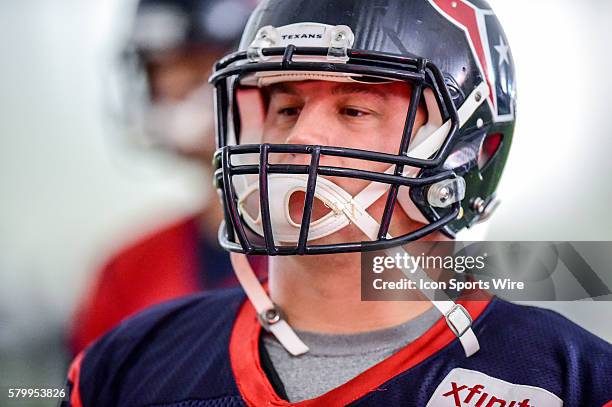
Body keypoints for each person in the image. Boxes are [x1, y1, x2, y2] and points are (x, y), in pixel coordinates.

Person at [66, 0, 612, 406]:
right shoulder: (125, 362)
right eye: (284, 107)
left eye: (354, 109)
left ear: (470, 149)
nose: (299, 138)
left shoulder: (574, 380)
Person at [68, 0, 261, 355]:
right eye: (156, 67)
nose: (168, 85)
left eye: (195, 60)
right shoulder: (127, 269)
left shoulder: (361, 257)